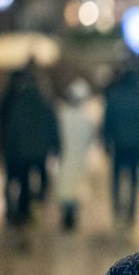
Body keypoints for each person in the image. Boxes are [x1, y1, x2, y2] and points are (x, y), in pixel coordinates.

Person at [0, 57, 59, 227]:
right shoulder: (44, 101)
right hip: (39, 151)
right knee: (40, 179)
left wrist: (8, 147)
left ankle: (20, 213)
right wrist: (55, 145)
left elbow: (12, 129)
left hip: (21, 151)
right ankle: (33, 206)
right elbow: (51, 124)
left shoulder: (18, 101)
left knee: (20, 182)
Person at [102, 60, 139, 227]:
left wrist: (106, 142)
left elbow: (108, 121)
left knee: (116, 179)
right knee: (134, 180)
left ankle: (117, 210)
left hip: (119, 145)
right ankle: (130, 215)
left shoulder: (115, 96)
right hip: (138, 147)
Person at [55, 76, 100, 231]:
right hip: (77, 158)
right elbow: (90, 138)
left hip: (66, 157)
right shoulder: (83, 119)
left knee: (66, 185)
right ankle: (71, 215)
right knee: (74, 186)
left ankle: (67, 215)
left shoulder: (62, 116)